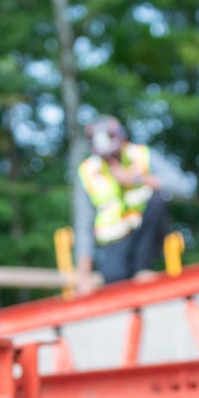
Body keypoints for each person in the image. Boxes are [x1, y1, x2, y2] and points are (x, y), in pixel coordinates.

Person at [73, 116, 176, 289]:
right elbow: (84, 223)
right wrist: (84, 275)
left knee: (159, 200)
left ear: (122, 140)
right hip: (114, 239)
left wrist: (137, 178)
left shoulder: (141, 155)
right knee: (115, 280)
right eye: (105, 155)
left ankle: (142, 268)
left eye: (113, 153)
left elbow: (183, 187)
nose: (110, 159)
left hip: (144, 232)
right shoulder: (87, 171)